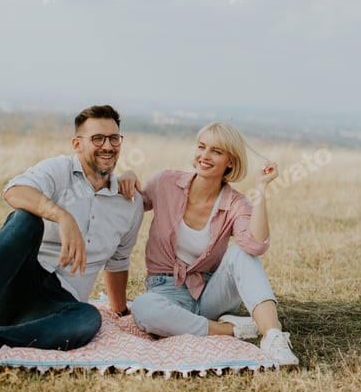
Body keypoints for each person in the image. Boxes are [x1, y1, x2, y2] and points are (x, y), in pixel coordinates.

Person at [0, 104, 143, 378]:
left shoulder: (130, 202)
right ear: (77, 144)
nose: (107, 146)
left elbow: (118, 261)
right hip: (18, 287)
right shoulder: (59, 170)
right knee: (25, 219)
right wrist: (62, 216)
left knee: (88, 320)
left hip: (58, 305)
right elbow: (14, 191)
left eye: (114, 138)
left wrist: (120, 312)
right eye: (97, 138)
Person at [120, 122, 299, 368]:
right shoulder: (166, 182)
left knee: (242, 254)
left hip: (211, 294)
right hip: (165, 290)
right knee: (143, 307)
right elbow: (132, 203)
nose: (205, 156)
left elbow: (255, 245)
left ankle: (272, 337)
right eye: (202, 147)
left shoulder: (236, 203)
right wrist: (125, 176)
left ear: (231, 161)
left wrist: (260, 189)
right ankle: (232, 330)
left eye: (216, 151)